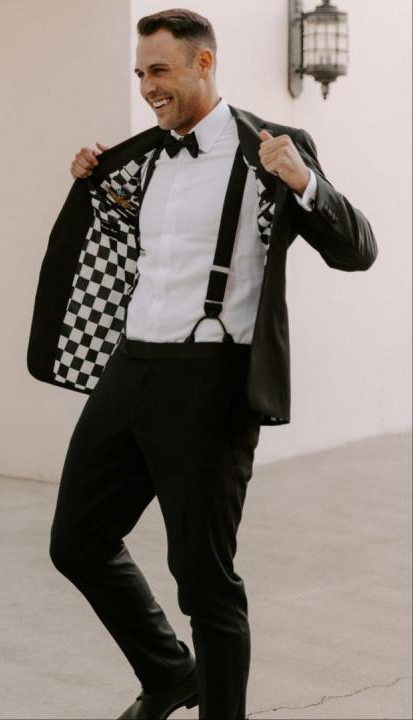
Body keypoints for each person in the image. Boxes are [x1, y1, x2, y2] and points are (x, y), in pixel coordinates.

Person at [27, 9, 376, 720]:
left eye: (159, 71)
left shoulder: (271, 148)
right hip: (130, 369)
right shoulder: (142, 156)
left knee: (205, 582)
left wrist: (306, 182)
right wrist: (92, 179)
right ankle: (168, 675)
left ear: (204, 64)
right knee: (77, 542)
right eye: (140, 74)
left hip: (211, 384)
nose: (148, 86)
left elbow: (357, 249)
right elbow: (115, 244)